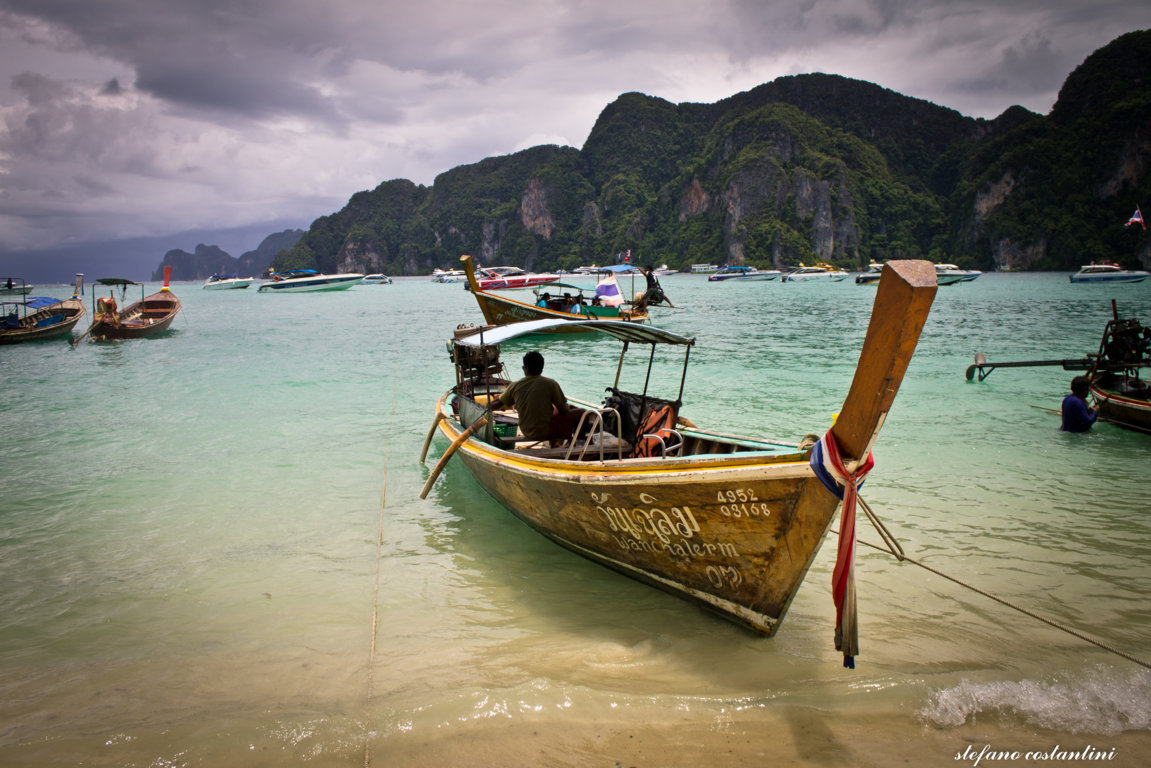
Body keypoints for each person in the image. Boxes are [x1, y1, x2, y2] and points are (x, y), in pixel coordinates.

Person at [496, 351, 577, 445]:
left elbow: (497, 403)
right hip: (545, 432)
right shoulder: (551, 384)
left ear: (524, 368)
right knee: (581, 413)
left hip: (526, 431)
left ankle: (557, 443)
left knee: (553, 414)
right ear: (542, 369)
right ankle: (578, 443)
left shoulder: (515, 385)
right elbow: (564, 410)